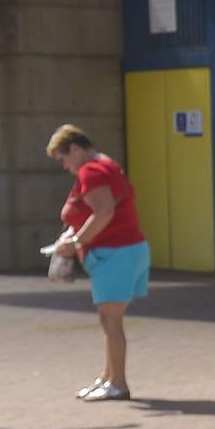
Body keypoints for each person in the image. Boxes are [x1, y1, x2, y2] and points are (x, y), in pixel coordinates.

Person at [47, 125, 151, 402]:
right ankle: (108, 379)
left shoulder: (91, 171)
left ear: (76, 149)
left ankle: (118, 384)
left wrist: (77, 242)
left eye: (63, 159)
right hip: (126, 250)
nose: (65, 166)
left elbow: (104, 211)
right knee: (108, 320)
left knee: (111, 321)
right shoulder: (107, 165)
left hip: (115, 253)